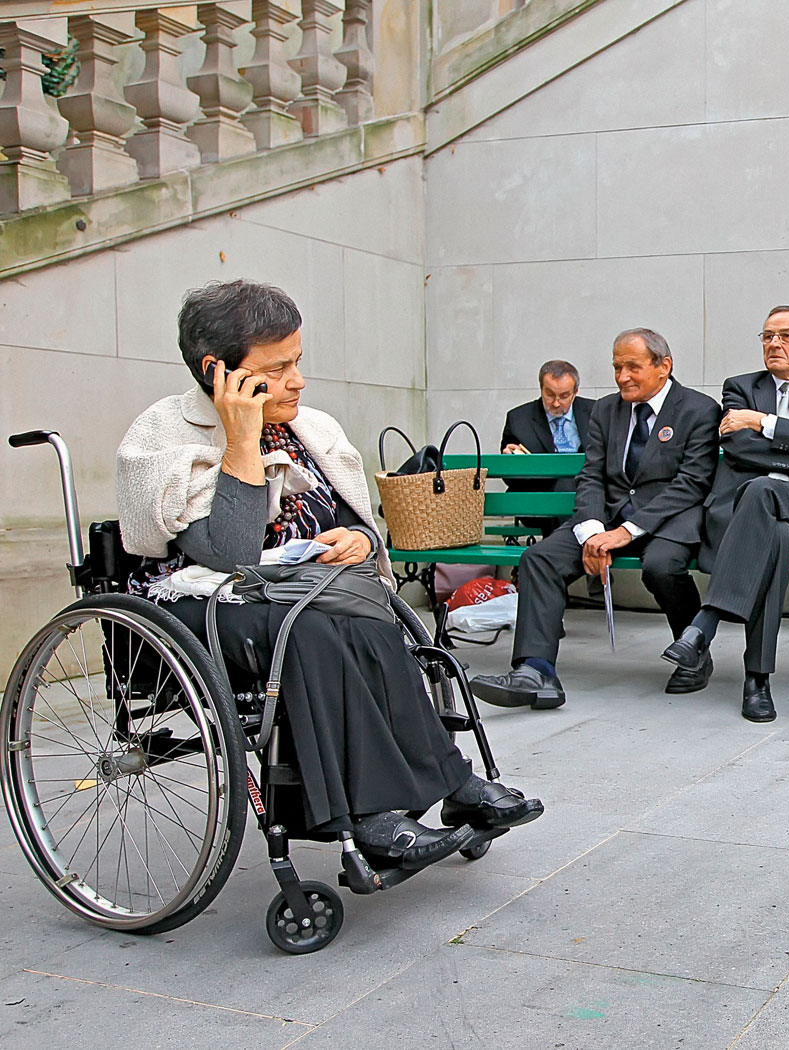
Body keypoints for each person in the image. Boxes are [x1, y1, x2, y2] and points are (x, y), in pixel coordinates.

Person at [115, 279, 541, 870]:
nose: (297, 380)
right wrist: (241, 441)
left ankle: (452, 782)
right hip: (200, 601)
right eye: (278, 367)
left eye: (297, 361)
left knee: (370, 622)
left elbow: (355, 521)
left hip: (301, 592)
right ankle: (369, 818)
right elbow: (229, 553)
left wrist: (358, 539)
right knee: (314, 630)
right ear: (219, 372)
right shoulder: (163, 435)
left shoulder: (309, 429)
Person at [470, 328, 721, 709]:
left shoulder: (699, 410)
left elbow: (691, 484)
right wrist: (590, 531)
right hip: (605, 518)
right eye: (617, 367)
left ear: (664, 366)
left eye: (632, 367)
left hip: (668, 519)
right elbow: (591, 476)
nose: (622, 377)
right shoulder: (606, 410)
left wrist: (625, 533)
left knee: (661, 566)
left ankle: (694, 652)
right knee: (539, 559)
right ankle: (535, 671)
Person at [661, 306, 789, 722]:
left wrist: (761, 422)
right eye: (767, 336)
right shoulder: (739, 387)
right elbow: (737, 447)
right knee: (774, 533)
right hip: (747, 516)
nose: (774, 344)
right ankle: (757, 681)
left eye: (786, 336)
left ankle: (704, 624)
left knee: (762, 489)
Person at [500, 361, 598, 534]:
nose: (556, 403)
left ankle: (559, 545)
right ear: (541, 389)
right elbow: (511, 479)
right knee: (565, 483)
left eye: (564, 396)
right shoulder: (519, 419)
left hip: (588, 493)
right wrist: (512, 461)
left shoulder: (596, 412)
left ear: (575, 392)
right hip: (540, 498)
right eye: (550, 395)